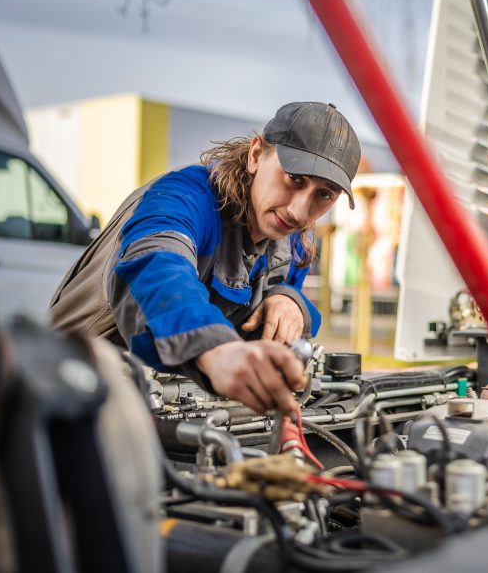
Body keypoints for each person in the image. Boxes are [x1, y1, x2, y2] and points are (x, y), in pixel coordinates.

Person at [49, 101, 360, 415]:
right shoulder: (183, 198)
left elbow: (281, 300)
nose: (298, 211)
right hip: (67, 385)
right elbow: (156, 266)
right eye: (294, 179)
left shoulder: (288, 237)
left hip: (168, 402)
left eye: (324, 195)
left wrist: (289, 299)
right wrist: (214, 349)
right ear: (256, 155)